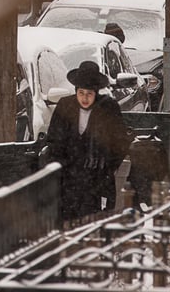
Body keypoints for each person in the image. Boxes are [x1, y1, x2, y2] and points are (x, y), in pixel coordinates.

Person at [42, 60, 133, 222]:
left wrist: (107, 167)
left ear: (96, 93)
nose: (84, 98)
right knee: (68, 222)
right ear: (76, 91)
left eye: (89, 94)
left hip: (97, 178)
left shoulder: (108, 109)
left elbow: (120, 142)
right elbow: (54, 140)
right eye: (81, 93)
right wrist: (62, 167)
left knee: (94, 222)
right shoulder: (65, 106)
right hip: (69, 178)